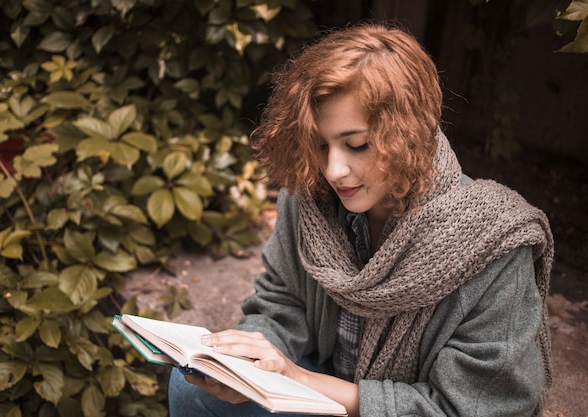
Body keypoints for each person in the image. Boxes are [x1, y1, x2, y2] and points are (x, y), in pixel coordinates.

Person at [168, 22, 554, 417]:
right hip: (322, 387)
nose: (334, 170)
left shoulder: (493, 242)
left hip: (407, 408)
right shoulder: (310, 198)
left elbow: (469, 407)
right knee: (193, 389)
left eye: (357, 145)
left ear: (410, 132)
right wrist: (243, 361)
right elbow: (283, 303)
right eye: (321, 145)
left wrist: (300, 380)